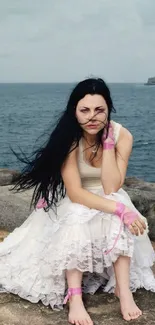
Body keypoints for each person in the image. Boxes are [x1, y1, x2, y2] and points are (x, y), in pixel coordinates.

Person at [0, 78, 155, 324]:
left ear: (109, 109)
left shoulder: (122, 135)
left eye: (99, 110)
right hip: (77, 198)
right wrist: (120, 209)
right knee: (80, 214)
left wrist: (107, 145)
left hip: (107, 193)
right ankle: (75, 297)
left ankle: (123, 292)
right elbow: (75, 193)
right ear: (74, 111)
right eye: (85, 110)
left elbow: (111, 186)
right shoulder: (69, 139)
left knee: (117, 207)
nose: (92, 117)